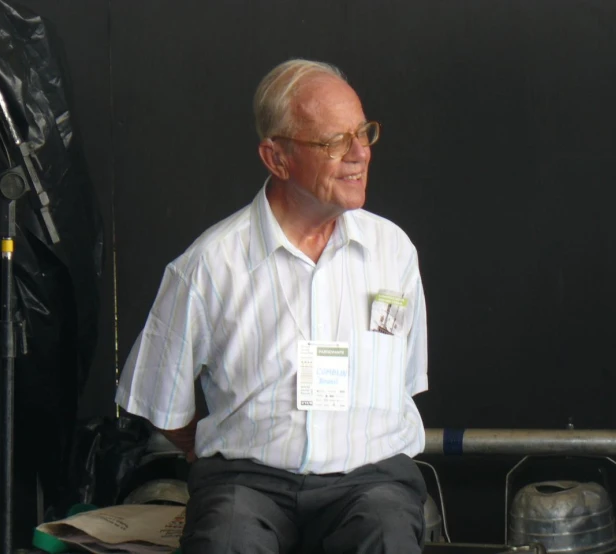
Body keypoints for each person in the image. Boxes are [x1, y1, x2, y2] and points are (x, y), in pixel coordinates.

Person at [115, 58, 429, 554]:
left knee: (387, 534)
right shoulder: (209, 264)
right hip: (249, 483)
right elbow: (163, 401)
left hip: (371, 482)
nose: (359, 155)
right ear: (276, 158)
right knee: (226, 539)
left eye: (362, 133)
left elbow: (406, 382)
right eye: (333, 142)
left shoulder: (394, 252)